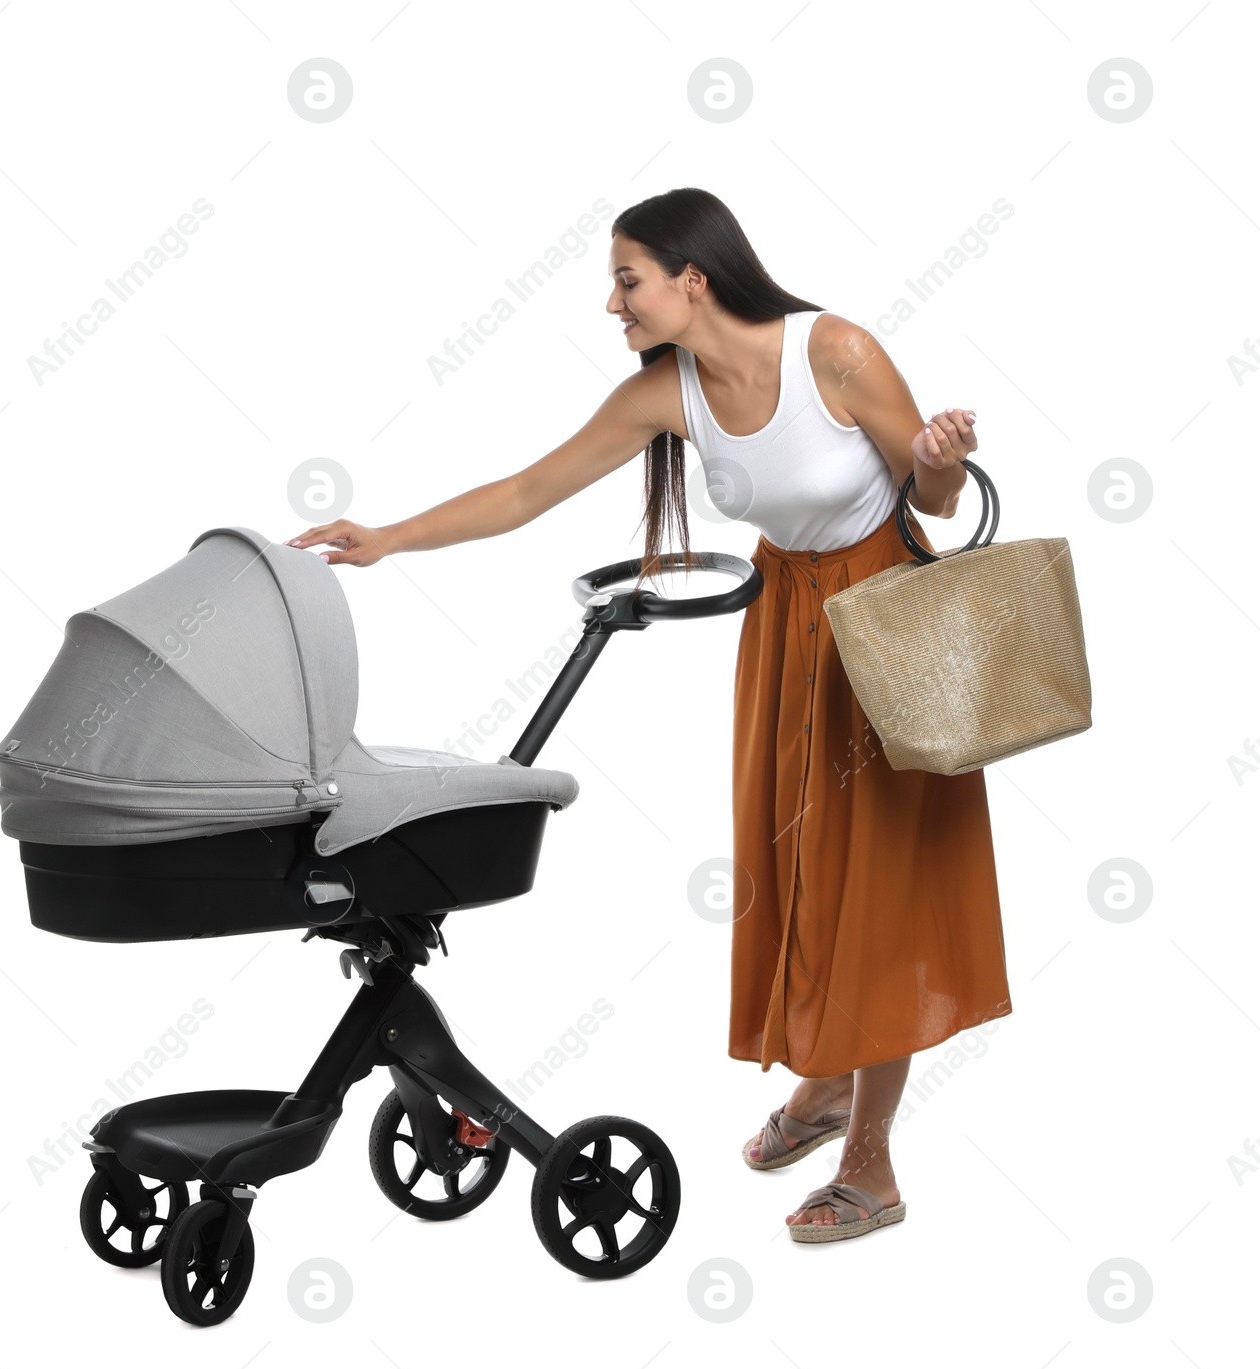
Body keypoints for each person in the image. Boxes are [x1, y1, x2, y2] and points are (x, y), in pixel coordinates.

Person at [285, 187, 1011, 1244]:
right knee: (805, 868)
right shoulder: (667, 392)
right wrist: (389, 536)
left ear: (692, 278)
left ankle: (872, 1161)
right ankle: (820, 1085)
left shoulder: (834, 351)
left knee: (877, 888)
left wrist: (939, 459)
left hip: (887, 624)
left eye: (626, 279)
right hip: (788, 629)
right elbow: (530, 489)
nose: (611, 302)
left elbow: (932, 498)